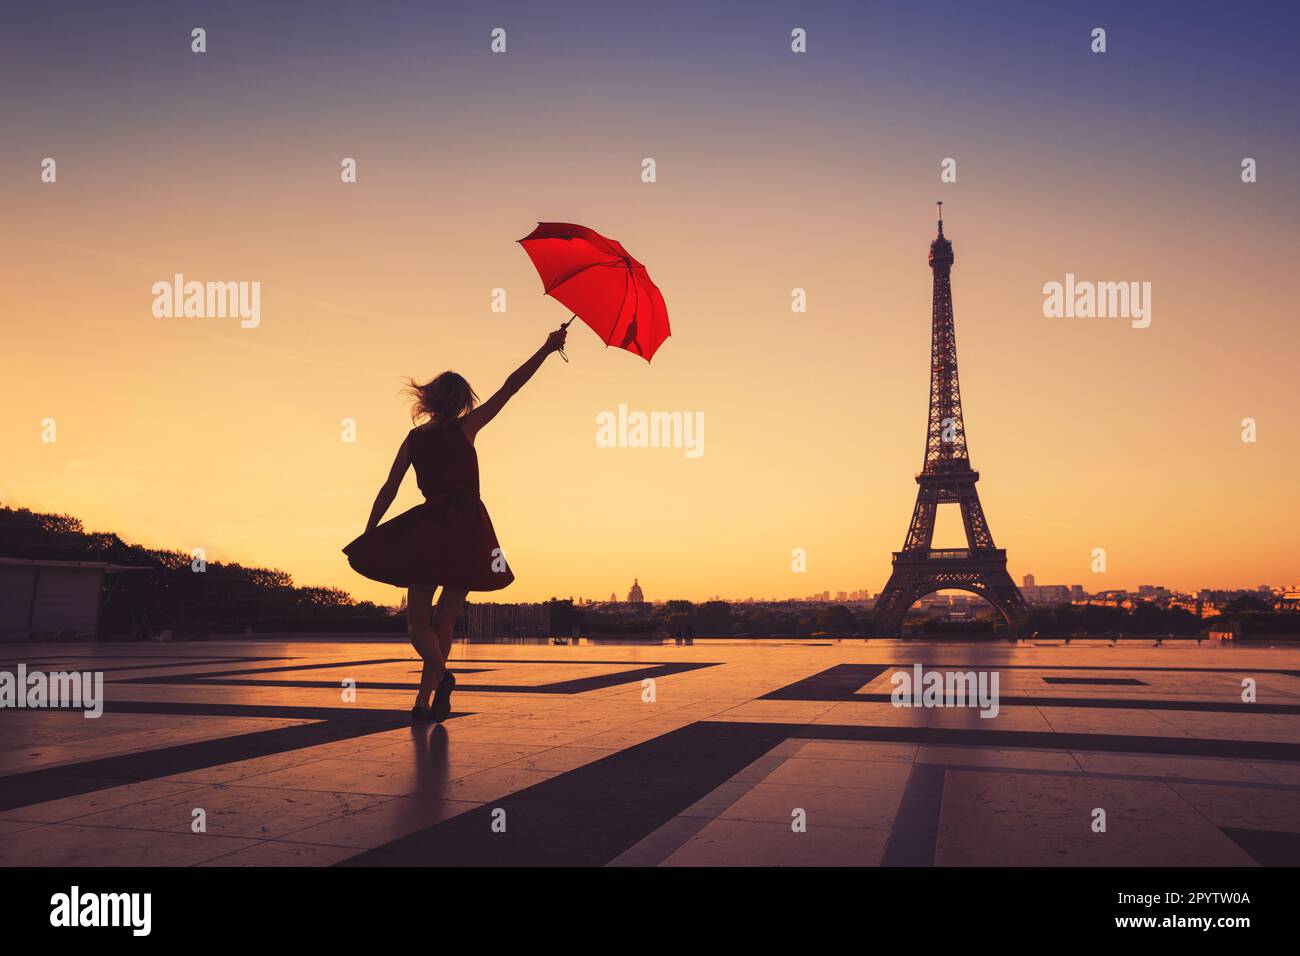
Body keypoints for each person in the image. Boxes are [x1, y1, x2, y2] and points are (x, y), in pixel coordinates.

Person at [343, 326, 568, 721]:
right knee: (444, 618)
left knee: (417, 622)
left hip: (430, 528)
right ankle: (424, 698)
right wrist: (547, 349)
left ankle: (435, 686)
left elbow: (388, 488)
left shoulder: (414, 439)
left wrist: (371, 530)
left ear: (429, 397)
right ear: (462, 401)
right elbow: (510, 387)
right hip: (469, 527)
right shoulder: (466, 429)